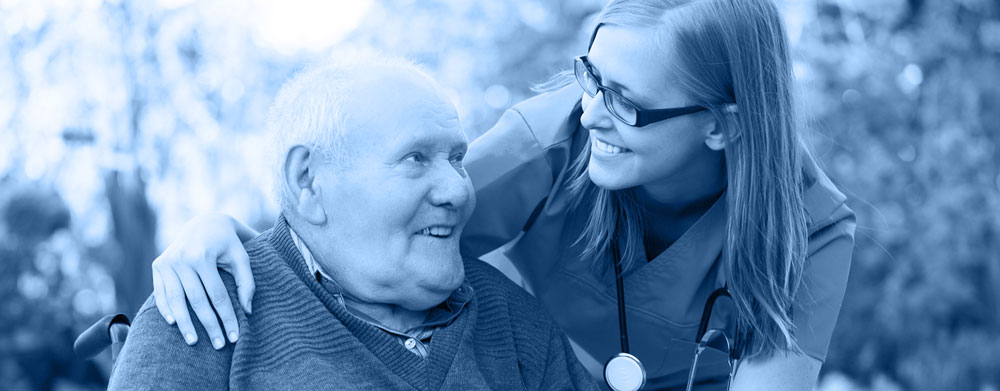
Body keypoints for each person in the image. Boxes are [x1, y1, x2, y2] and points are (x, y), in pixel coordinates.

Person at [148, 0, 856, 389]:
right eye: (589, 74)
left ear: (719, 125)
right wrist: (226, 228)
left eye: (627, 102)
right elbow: (360, 225)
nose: (589, 112)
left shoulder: (810, 225)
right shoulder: (548, 144)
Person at [108, 52, 598, 390]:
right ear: (309, 181)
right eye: (415, 158)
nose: (457, 189)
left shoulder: (515, 323)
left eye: (456, 158)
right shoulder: (203, 317)